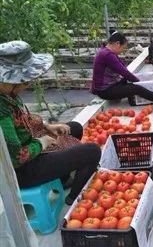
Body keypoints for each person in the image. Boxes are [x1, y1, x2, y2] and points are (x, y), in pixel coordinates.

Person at [0, 41, 102, 205]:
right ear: (8, 82)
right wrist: (42, 142)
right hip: (19, 172)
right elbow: (17, 158)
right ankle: (72, 200)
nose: (27, 85)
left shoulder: (7, 96)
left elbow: (22, 120)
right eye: (25, 82)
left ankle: (61, 179)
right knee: (92, 152)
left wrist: (47, 126)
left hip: (29, 151)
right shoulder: (1, 110)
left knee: (73, 128)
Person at [91, 31, 153, 109]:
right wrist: (139, 82)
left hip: (112, 84)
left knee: (135, 81)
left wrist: (137, 79)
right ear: (117, 44)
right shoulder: (107, 55)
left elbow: (122, 67)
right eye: (123, 48)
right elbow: (124, 72)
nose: (122, 51)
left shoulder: (105, 51)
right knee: (137, 88)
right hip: (105, 91)